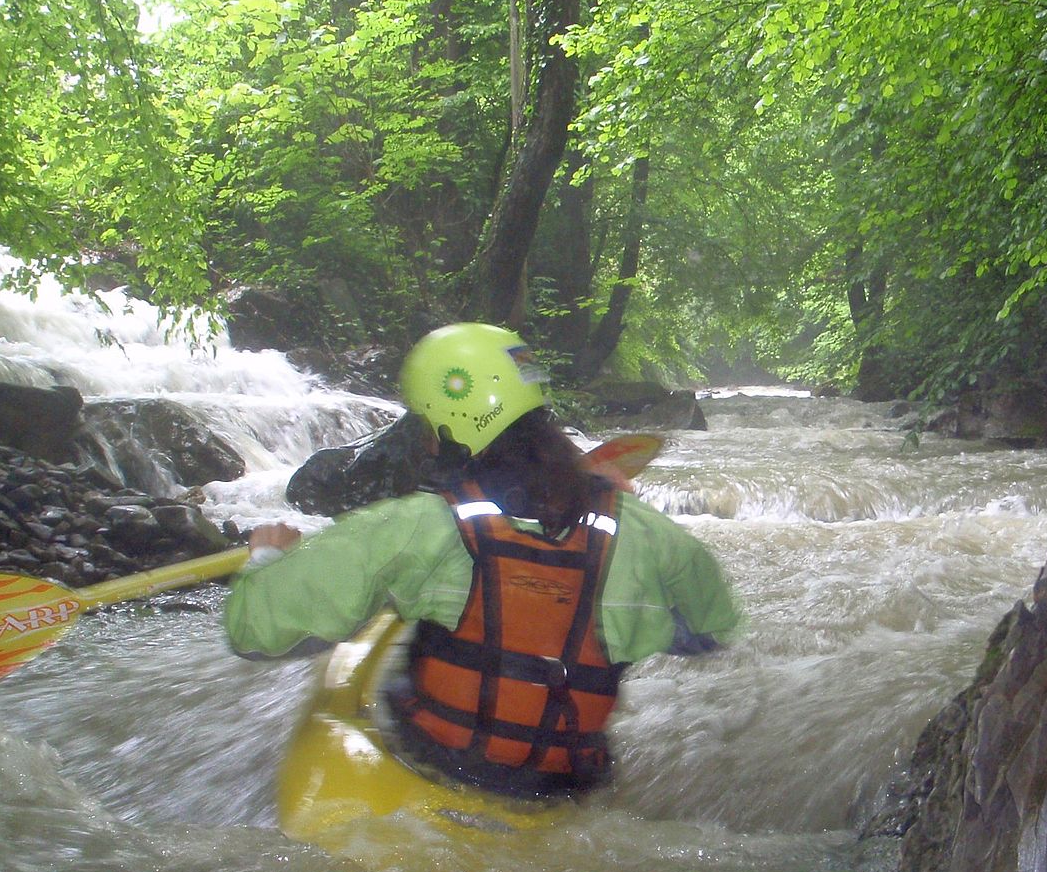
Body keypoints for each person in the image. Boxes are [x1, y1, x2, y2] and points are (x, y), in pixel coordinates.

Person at [225, 322, 738, 799]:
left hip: (440, 772)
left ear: (447, 424)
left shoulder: (415, 527)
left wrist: (267, 556)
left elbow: (255, 632)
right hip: (562, 794)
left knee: (409, 645)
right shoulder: (644, 532)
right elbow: (711, 630)